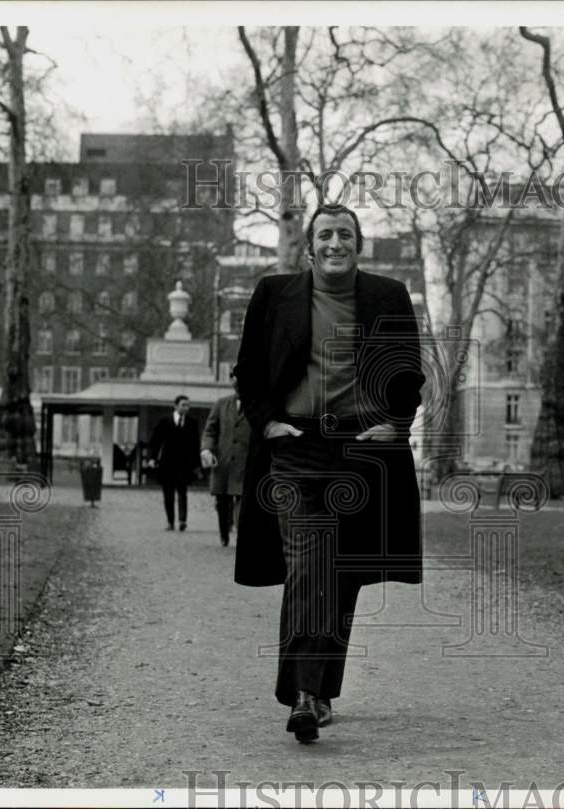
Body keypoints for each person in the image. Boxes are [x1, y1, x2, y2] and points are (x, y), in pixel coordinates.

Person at [235, 203, 425, 743]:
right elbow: (248, 371)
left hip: (364, 452)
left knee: (341, 576)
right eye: (325, 235)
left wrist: (397, 424)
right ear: (309, 246)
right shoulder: (275, 295)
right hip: (297, 452)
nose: (335, 243)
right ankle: (300, 696)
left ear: (358, 244)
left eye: (345, 234)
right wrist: (268, 423)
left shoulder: (388, 295)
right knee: (309, 567)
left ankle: (320, 691)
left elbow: (408, 372)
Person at [201, 365, 252, 547]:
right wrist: (207, 449)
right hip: (222, 462)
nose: (237, 383)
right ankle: (224, 535)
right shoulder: (221, 404)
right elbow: (210, 430)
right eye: (235, 379)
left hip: (245, 462)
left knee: (242, 501)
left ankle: (241, 534)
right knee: (222, 502)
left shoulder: (257, 405)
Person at [148, 395, 201, 531]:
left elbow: (196, 445)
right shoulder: (165, 422)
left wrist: (197, 465)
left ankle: (182, 520)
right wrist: (152, 458)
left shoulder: (192, 423)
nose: (186, 408)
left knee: (183, 493)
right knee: (168, 494)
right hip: (167, 464)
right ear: (176, 406)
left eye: (188, 405)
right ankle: (170, 521)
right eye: (183, 405)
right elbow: (155, 441)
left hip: (184, 465)